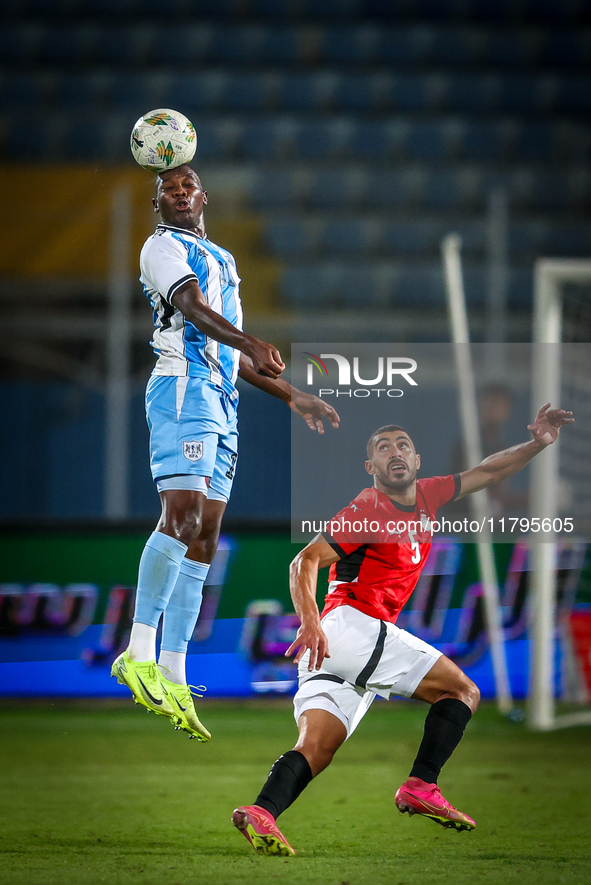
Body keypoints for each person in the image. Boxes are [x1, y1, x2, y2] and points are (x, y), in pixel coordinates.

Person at [232, 404, 573, 855]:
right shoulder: (368, 508)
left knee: (317, 747)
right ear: (370, 467)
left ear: (416, 463)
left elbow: (489, 471)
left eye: (404, 445)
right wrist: (311, 622)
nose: (395, 451)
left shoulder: (429, 496)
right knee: (462, 692)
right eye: (383, 447)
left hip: (339, 644)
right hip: (350, 627)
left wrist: (537, 443)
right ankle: (421, 784)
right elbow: (305, 561)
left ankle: (262, 812)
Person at [111, 164, 339, 742]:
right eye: (168, 189)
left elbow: (237, 355)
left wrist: (293, 396)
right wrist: (251, 340)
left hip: (220, 394)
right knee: (181, 516)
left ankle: (173, 668)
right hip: (182, 386)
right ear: (158, 203)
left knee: (207, 536)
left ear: (203, 198)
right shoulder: (160, 247)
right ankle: (136, 649)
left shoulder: (225, 260)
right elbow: (191, 309)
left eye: (188, 186)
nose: (179, 194)